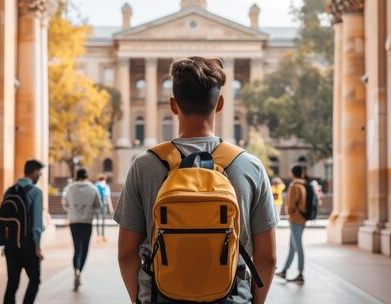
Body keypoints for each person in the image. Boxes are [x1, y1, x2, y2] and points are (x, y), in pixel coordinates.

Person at [114, 56, 278, 304]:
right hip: (231, 297)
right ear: (220, 103)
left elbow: (126, 254)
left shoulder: (144, 165)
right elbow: (267, 257)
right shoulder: (249, 166)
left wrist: (140, 300)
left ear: (173, 104)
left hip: (160, 296)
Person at [3, 159, 45, 304]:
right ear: (34, 172)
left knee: (12, 282)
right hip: (28, 245)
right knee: (35, 279)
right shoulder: (35, 192)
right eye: (39, 173)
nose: (40, 176)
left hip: (10, 244)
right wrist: (37, 247)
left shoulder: (10, 190)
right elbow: (37, 225)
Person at [62, 168, 101, 290]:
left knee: (76, 248)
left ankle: (76, 270)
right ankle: (79, 270)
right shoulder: (93, 189)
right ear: (87, 176)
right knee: (84, 248)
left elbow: (66, 204)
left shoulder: (70, 188)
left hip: (74, 222)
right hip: (87, 222)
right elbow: (98, 206)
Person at [275, 165, 307, 283]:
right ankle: (285, 271)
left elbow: (292, 204)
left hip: (295, 219)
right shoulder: (303, 185)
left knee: (298, 246)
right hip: (301, 219)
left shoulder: (294, 186)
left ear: (293, 173)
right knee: (292, 247)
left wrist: (290, 213)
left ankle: (300, 273)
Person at [95, 173, 114, 242]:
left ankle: (98, 236)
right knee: (103, 221)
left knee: (97, 221)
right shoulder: (106, 186)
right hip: (104, 204)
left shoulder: (95, 185)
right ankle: (103, 236)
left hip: (97, 205)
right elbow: (108, 197)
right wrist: (111, 207)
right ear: (104, 179)